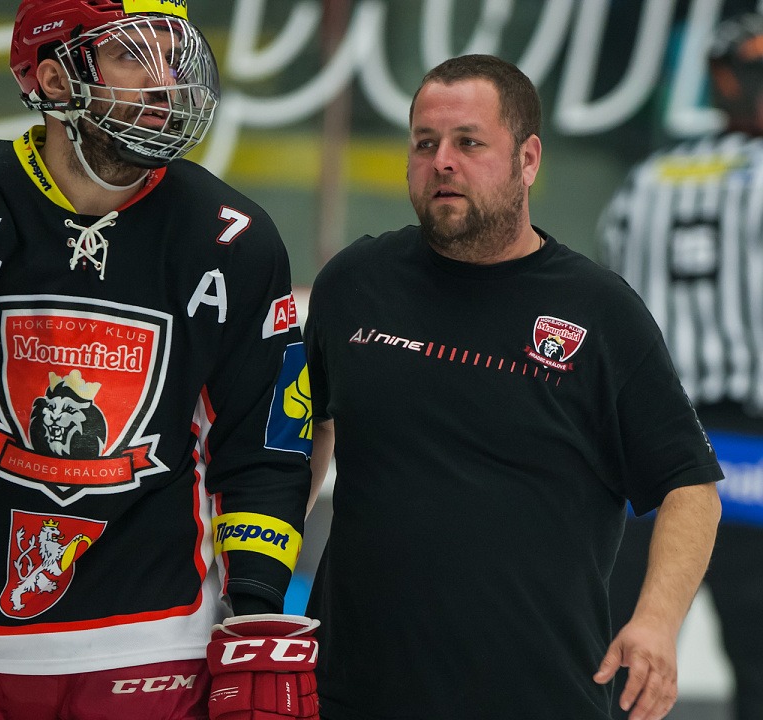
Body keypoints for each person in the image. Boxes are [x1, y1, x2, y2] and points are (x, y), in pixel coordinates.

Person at [0, 1, 318, 718]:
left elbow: (264, 446)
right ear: (54, 79)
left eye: (173, 57)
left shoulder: (234, 238)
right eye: (132, 55)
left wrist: (254, 614)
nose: (164, 82)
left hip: (151, 640)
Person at [303, 54, 723, 720]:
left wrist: (655, 622)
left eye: (469, 142)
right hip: (352, 693)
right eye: (424, 143)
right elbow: (309, 429)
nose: (442, 161)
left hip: (538, 694)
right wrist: (260, 573)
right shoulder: (354, 282)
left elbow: (690, 488)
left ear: (528, 160)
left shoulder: (599, 311)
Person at [597, 12, 763, 720]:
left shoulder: (648, 179)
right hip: (749, 437)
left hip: (653, 445)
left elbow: (607, 291)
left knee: (624, 663)